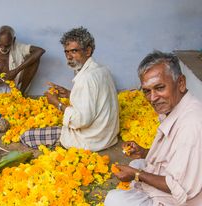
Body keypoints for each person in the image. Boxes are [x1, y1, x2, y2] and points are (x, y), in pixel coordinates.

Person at [104, 51, 202, 206]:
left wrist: (136, 175)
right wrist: (143, 152)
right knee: (137, 164)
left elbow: (178, 187)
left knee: (114, 200)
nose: (153, 98)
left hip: (184, 199)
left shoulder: (191, 125)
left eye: (160, 87)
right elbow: (173, 157)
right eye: (147, 91)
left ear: (181, 83)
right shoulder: (175, 108)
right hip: (175, 177)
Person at [20, 27, 119, 152]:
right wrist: (69, 94)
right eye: (66, 52)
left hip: (90, 140)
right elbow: (94, 99)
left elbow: (80, 121)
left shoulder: (86, 78)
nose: (69, 56)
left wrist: (57, 103)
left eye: (74, 51)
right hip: (106, 136)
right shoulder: (101, 70)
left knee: (26, 136)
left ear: (88, 51)